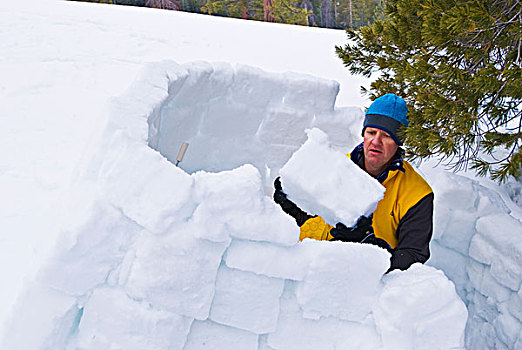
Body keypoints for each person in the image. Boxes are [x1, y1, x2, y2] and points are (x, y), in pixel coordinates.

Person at [273, 93, 434, 272]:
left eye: (387, 136)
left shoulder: (417, 194)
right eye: (371, 132)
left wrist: (369, 246)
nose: (376, 141)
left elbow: (413, 255)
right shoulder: (335, 167)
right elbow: (311, 219)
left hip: (361, 282)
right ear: (363, 134)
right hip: (308, 267)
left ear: (398, 142)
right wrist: (291, 206)